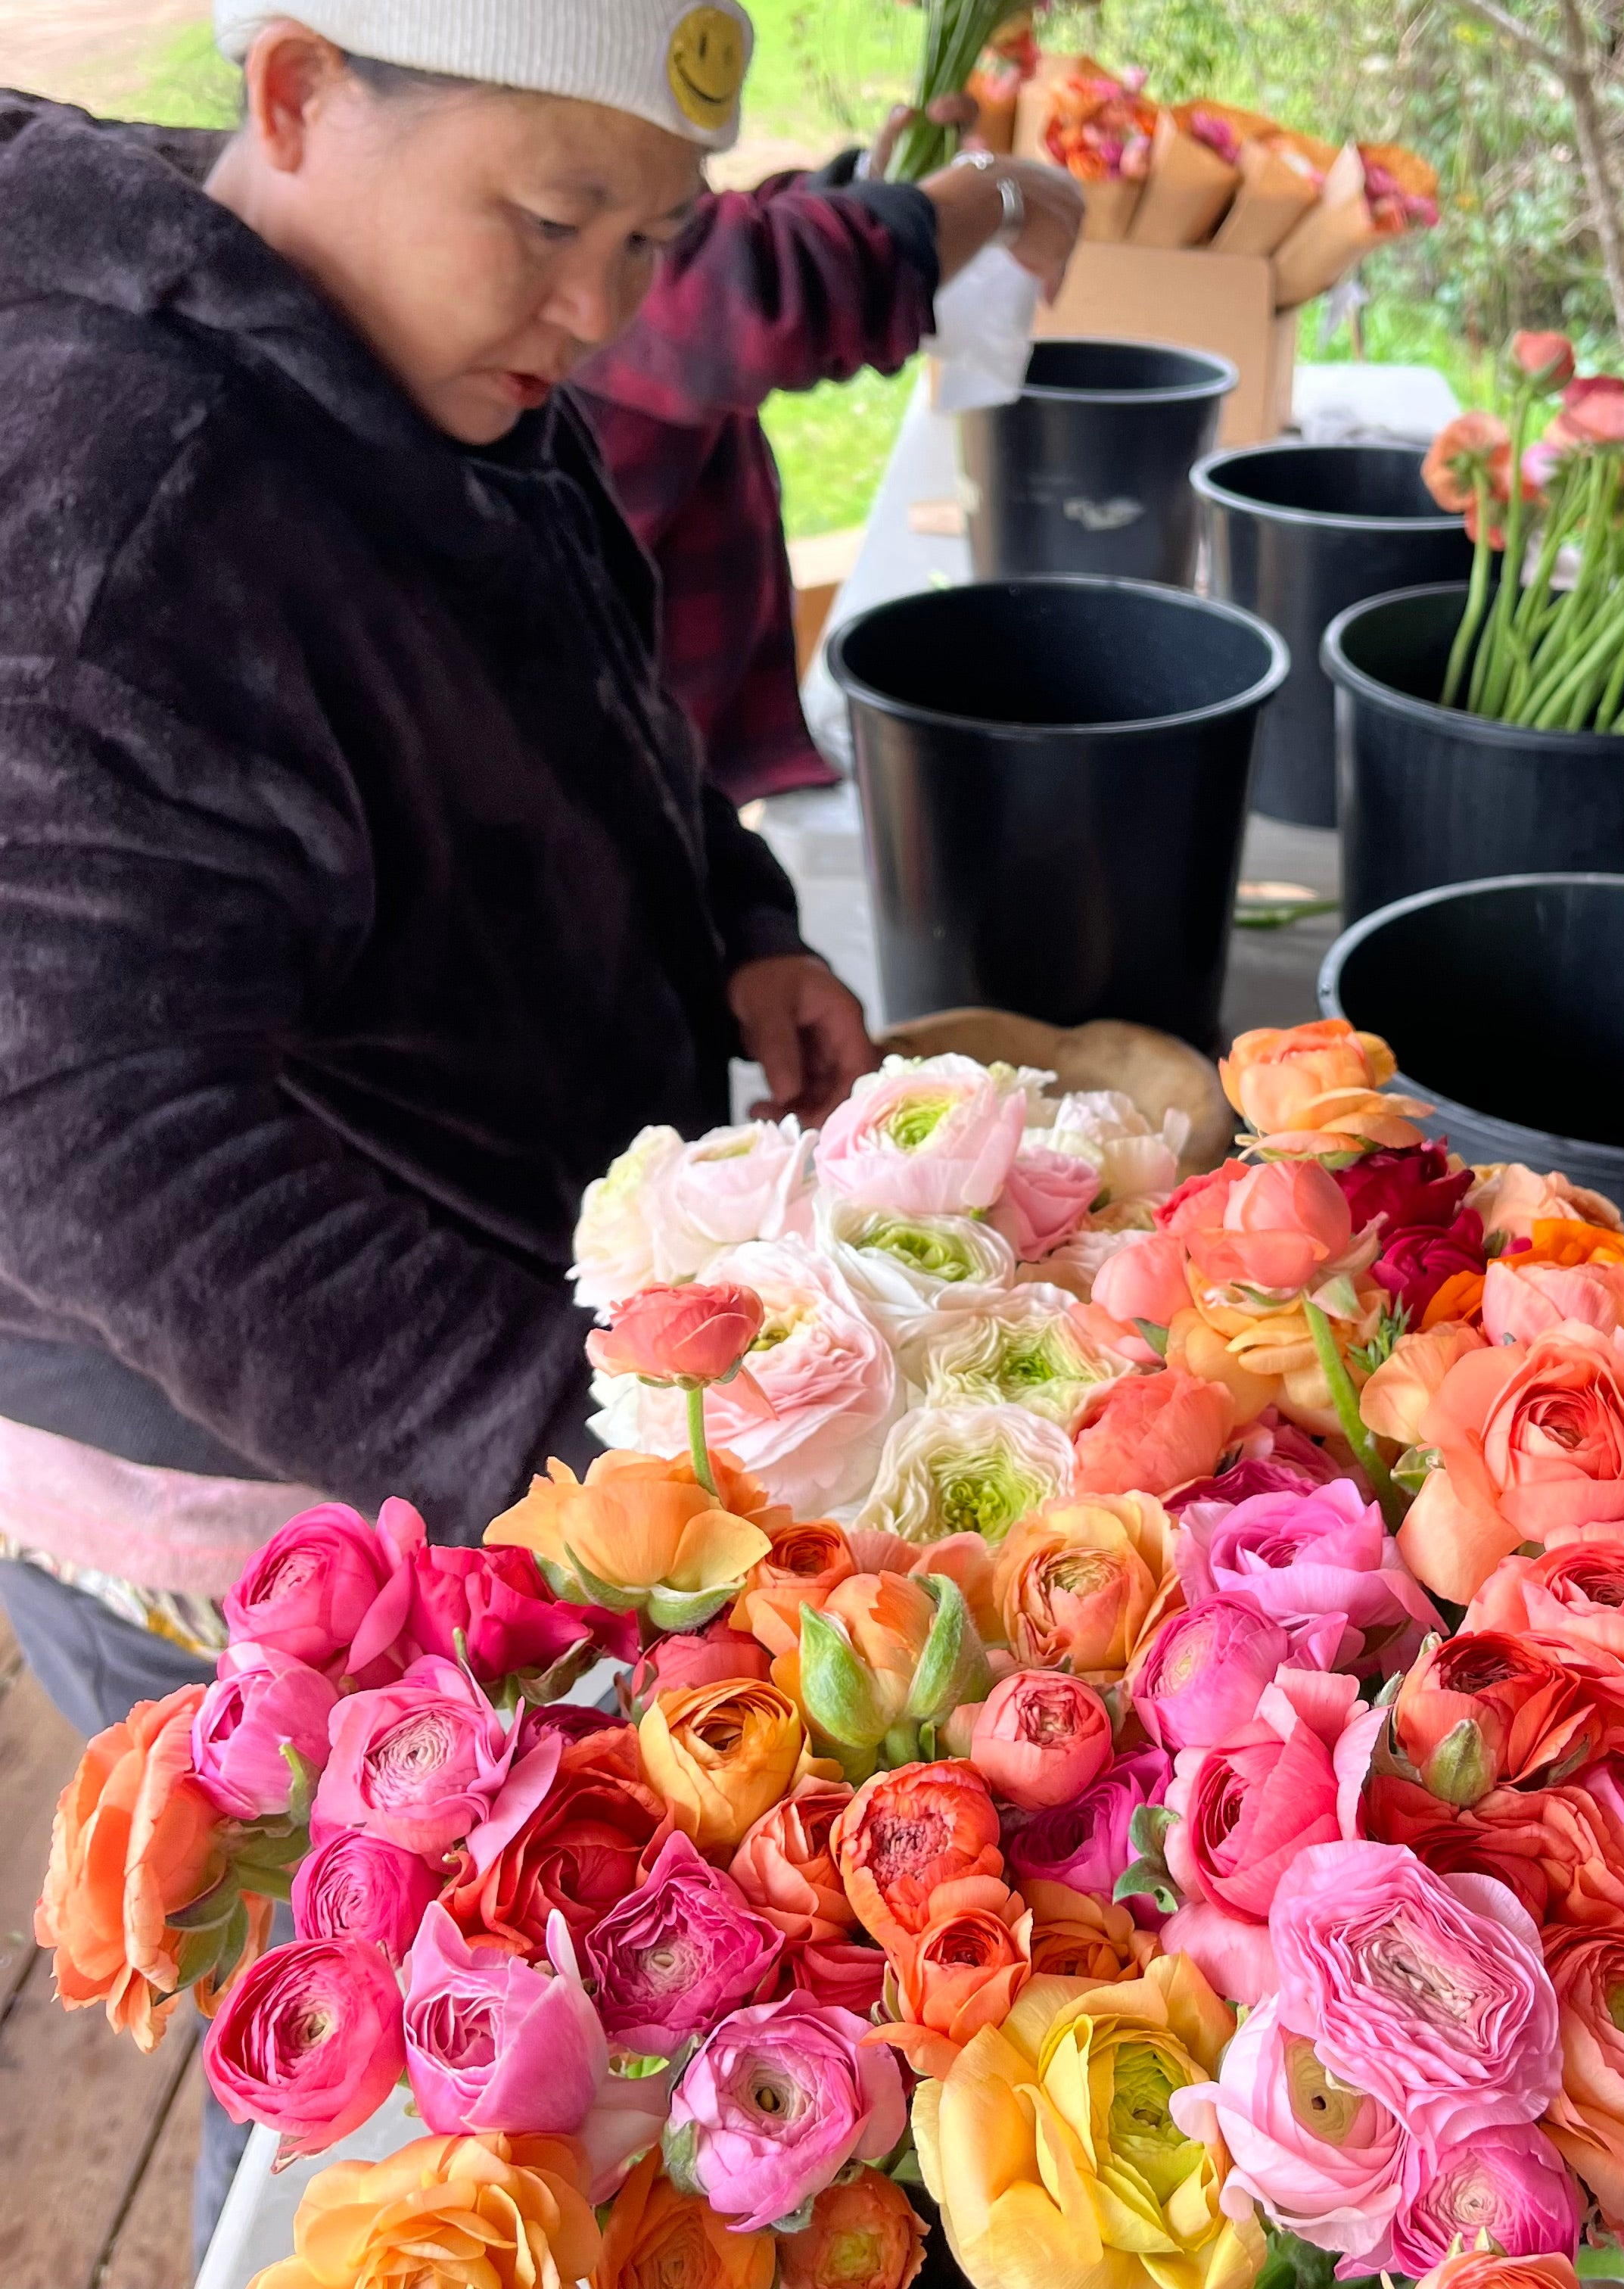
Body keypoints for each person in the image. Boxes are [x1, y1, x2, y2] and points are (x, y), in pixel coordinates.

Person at [0, 2, 862, 2250]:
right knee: (374, 2047)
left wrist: (735, 921)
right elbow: (85, 1126)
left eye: (660, 232)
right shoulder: (125, 507)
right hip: (260, 1492)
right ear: (295, 93)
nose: (603, 310)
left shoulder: (402, 337)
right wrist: (564, 1453)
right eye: (554, 219)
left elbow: (581, 683)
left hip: (526, 1381)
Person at [573, 101, 1084, 799]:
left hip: (671, 721)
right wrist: (984, 200)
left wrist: (872, 187)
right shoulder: (559, 233)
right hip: (600, 748)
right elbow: (744, 303)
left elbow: (698, 226)